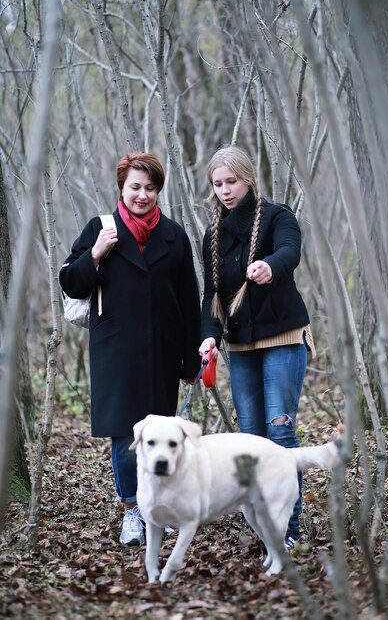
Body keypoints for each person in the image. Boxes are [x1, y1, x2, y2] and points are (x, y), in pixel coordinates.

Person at [60, 151, 201, 546]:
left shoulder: (173, 236)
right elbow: (71, 282)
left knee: (159, 437)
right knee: (125, 438)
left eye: (150, 188)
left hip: (162, 351)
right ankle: (132, 513)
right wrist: (95, 253)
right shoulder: (99, 229)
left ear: (158, 190)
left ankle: (159, 508)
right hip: (116, 352)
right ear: (121, 188)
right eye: (134, 187)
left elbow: (189, 300)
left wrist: (190, 358)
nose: (142, 195)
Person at [199, 146, 315, 550]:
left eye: (232, 181)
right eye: (218, 184)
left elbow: (290, 252)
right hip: (242, 345)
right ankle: (263, 526)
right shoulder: (212, 235)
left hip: (283, 337)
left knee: (279, 435)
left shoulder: (278, 217)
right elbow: (212, 294)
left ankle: (290, 529)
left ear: (248, 178)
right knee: (250, 436)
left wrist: (270, 266)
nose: (226, 190)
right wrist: (210, 334)